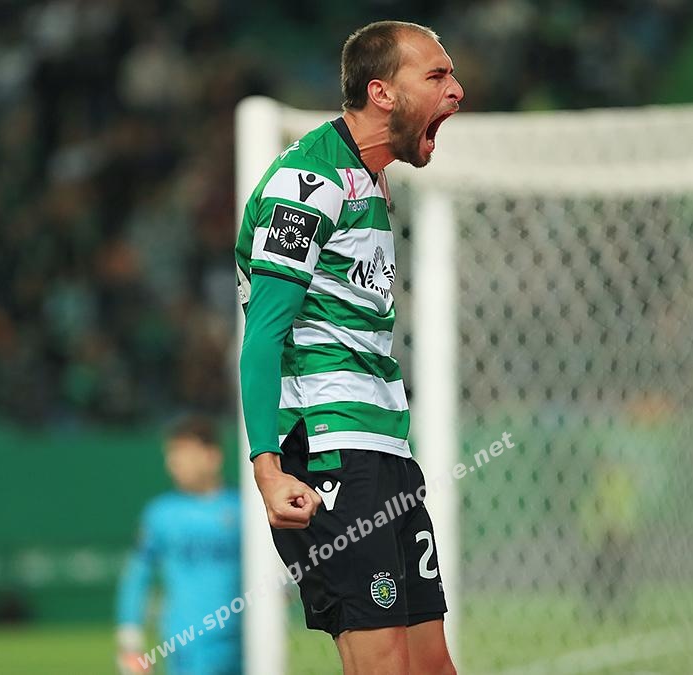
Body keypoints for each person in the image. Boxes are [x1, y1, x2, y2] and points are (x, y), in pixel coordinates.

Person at [235, 20, 463, 675]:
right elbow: (264, 334)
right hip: (328, 450)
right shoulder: (307, 185)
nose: (456, 90)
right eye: (436, 75)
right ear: (381, 93)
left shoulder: (371, 179)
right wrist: (268, 468)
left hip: (384, 448)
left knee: (431, 665)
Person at [115, 417, 241, 675]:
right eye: (171, 455)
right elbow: (137, 575)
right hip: (187, 644)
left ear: (212, 456)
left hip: (245, 641)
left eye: (183, 453)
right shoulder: (161, 514)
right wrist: (130, 639)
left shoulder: (245, 508)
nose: (173, 463)